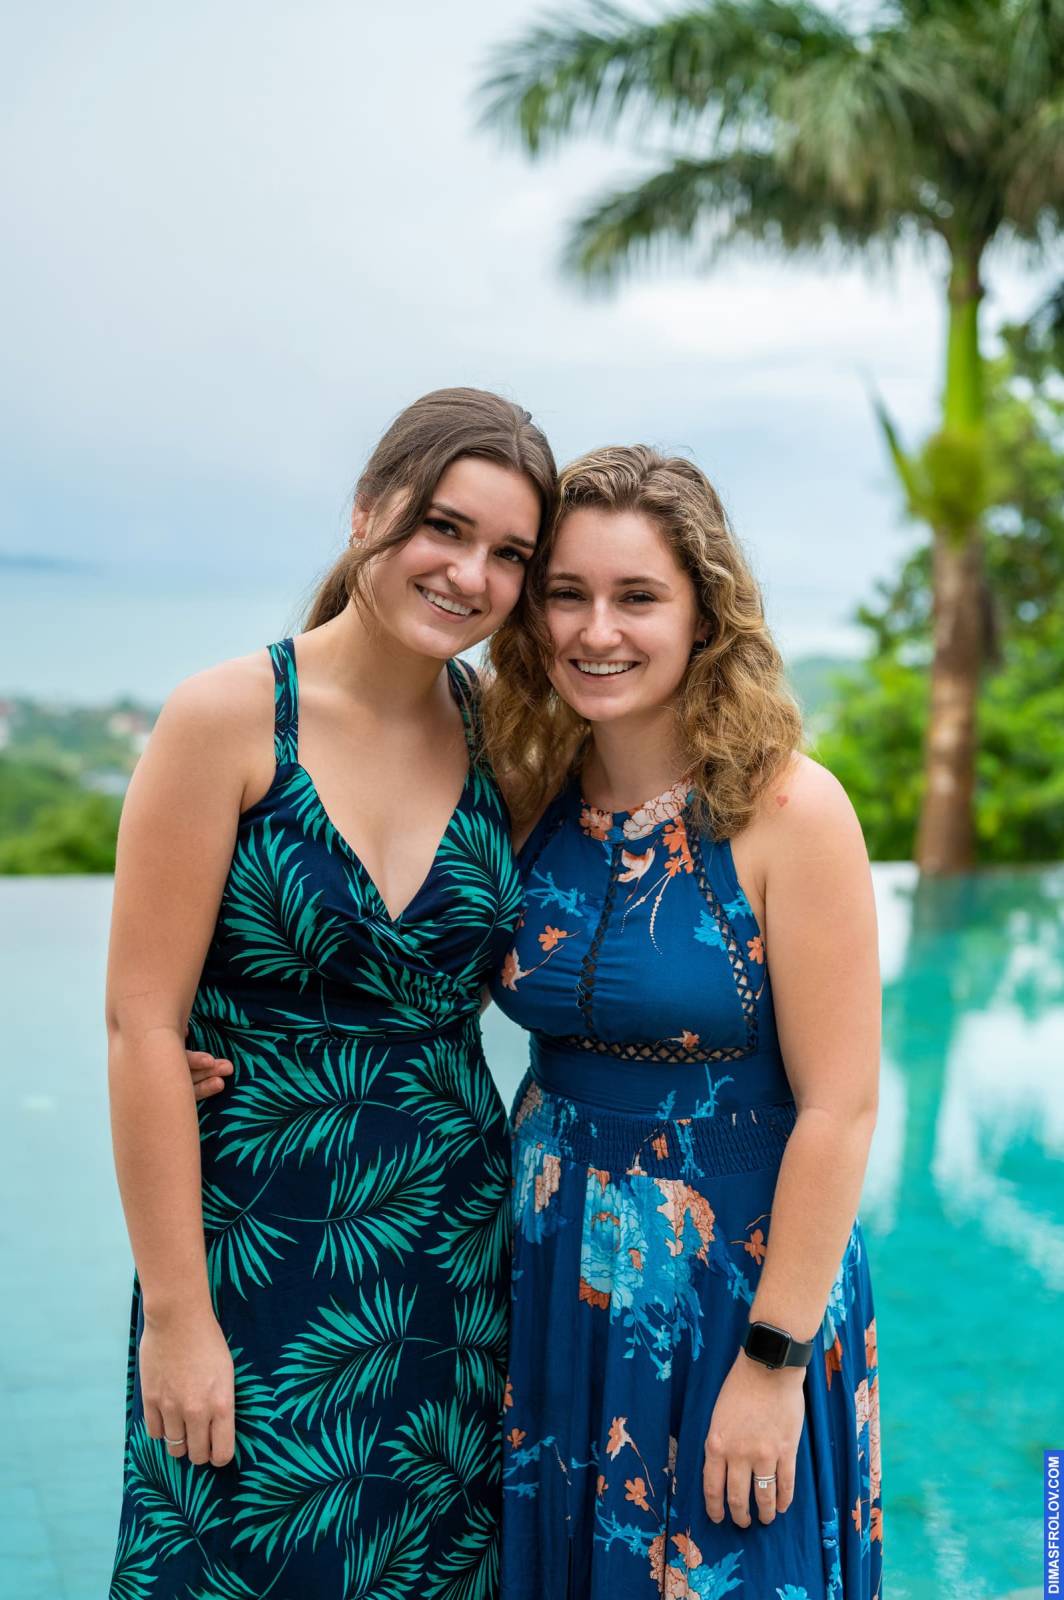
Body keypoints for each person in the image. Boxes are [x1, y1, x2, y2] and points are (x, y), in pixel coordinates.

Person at [106, 387, 556, 1598]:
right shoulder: (228, 717)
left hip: (453, 1262)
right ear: (368, 510)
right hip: (253, 1253)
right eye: (444, 527)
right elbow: (140, 1023)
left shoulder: (506, 740)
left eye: (508, 554)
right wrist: (177, 1314)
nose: (469, 574)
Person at [479, 446, 883, 1599]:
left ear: (703, 613)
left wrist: (771, 1363)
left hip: (735, 1290)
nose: (595, 629)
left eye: (637, 597)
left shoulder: (789, 809)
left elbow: (841, 1106)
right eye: (566, 593)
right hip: (552, 1271)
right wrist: (248, 1043)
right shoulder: (526, 791)